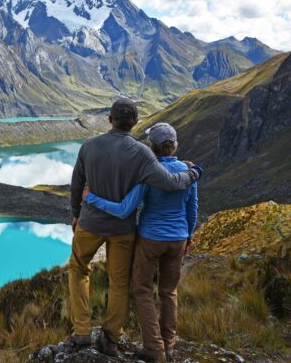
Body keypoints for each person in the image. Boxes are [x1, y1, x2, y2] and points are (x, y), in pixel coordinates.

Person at [69, 99, 202, 357]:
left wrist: (76, 213)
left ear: (109, 119)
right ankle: (111, 337)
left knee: (78, 268)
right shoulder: (143, 153)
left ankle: (82, 331)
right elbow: (171, 182)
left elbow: (77, 185)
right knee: (119, 280)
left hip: (91, 223)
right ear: (135, 124)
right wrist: (194, 173)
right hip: (124, 229)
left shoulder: (89, 146)